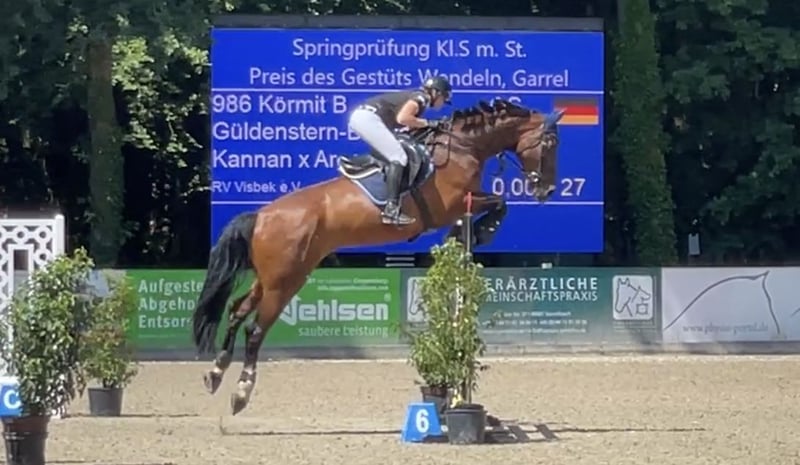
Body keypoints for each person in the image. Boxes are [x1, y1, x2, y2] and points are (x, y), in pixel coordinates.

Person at [348, 76, 452, 225]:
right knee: (399, 157)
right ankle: (391, 209)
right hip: (368, 118)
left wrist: (427, 125)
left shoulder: (418, 97)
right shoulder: (421, 98)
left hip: (365, 117)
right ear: (436, 93)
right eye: (443, 98)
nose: (443, 103)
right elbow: (403, 118)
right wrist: (429, 123)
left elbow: (405, 124)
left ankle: (363, 164)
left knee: (393, 151)